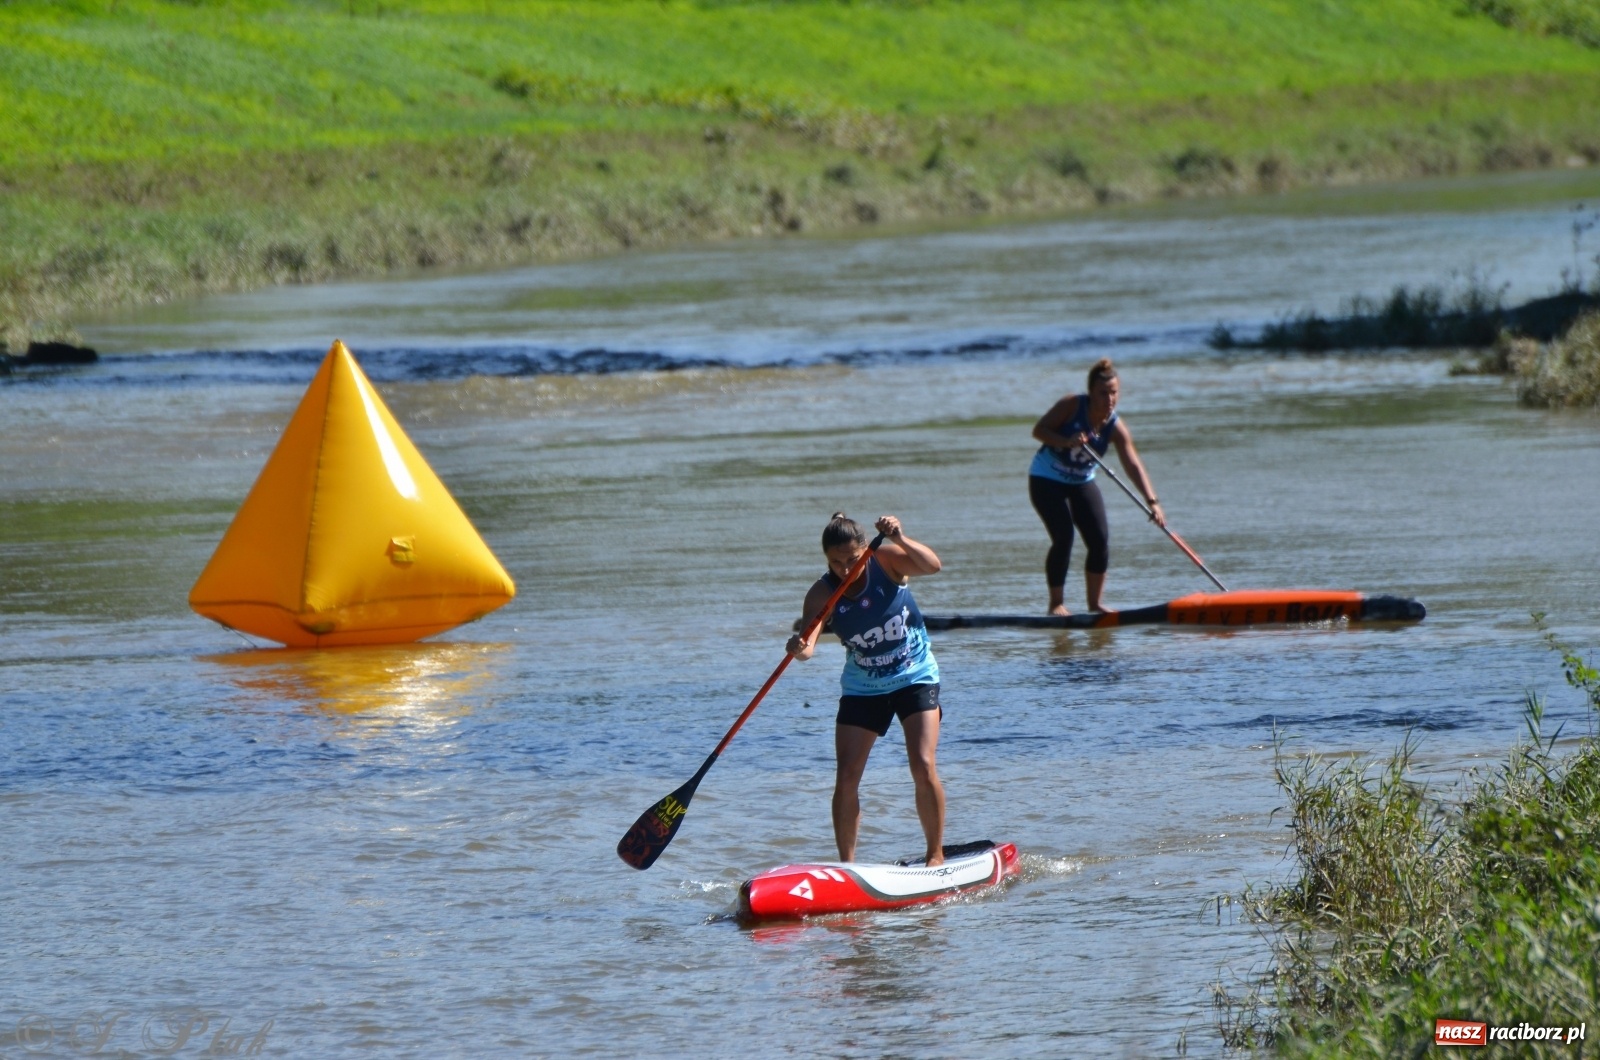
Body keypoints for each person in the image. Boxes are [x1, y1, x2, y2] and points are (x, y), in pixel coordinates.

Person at [785, 512, 947, 866]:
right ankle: (848, 866)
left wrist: (900, 537)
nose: (845, 570)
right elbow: (809, 645)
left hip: (914, 674)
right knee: (846, 777)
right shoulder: (822, 593)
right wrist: (799, 648)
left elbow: (932, 566)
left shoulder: (886, 561)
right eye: (836, 563)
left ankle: (935, 855)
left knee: (922, 763)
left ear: (865, 552)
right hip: (864, 686)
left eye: (852, 560)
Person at [1028, 357, 1164, 615]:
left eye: (1114, 393)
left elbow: (1132, 464)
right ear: (1091, 393)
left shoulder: (1115, 426)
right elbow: (1039, 430)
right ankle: (1056, 604)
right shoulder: (1071, 405)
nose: (1109, 399)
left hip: (1081, 480)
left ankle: (1095, 604)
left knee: (1099, 540)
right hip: (1046, 478)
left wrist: (1152, 501)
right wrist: (1066, 440)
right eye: (1103, 393)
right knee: (1064, 536)